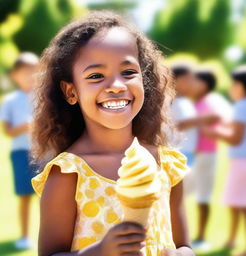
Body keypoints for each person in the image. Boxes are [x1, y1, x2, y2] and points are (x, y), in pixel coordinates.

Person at [31, 11, 195, 256]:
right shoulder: (68, 174)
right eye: (96, 76)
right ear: (71, 91)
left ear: (145, 79)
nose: (117, 86)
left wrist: (180, 254)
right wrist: (99, 252)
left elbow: (184, 246)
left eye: (128, 72)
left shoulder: (166, 165)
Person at [203, 68, 246, 256]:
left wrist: (213, 133)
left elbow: (236, 138)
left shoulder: (242, 106)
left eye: (233, 84)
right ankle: (232, 239)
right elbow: (237, 128)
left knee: (245, 207)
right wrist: (222, 125)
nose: (231, 88)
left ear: (240, 86)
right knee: (235, 202)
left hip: (244, 162)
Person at [0, 52, 39, 250]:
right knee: (24, 196)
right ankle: (24, 236)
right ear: (15, 75)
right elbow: (6, 131)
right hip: (21, 153)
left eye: (33, 72)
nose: (30, 76)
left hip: (44, 153)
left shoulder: (43, 97)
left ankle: (53, 234)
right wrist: (24, 127)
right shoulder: (10, 101)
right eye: (25, 73)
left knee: (51, 195)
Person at [191, 70, 219, 250]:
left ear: (205, 85)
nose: (193, 85)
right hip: (194, 155)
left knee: (203, 195)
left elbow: (213, 129)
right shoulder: (195, 103)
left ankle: (201, 236)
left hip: (206, 154)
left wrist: (198, 122)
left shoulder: (210, 104)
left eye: (196, 81)